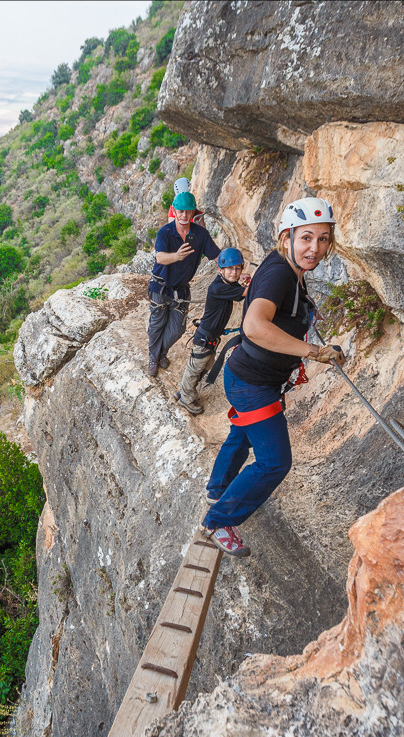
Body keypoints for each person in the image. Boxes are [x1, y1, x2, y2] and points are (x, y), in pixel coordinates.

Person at [198, 197, 348, 557]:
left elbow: (264, 304)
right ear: (287, 238)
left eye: (323, 239)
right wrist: (311, 351)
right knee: (275, 462)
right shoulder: (282, 272)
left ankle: (218, 488)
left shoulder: (285, 269)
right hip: (254, 383)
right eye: (307, 238)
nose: (315, 248)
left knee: (242, 434)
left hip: (246, 375)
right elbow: (254, 325)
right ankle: (218, 520)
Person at [149, 191, 221, 376]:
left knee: (176, 329)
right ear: (174, 210)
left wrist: (232, 268)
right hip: (161, 286)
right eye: (180, 211)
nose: (184, 215)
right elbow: (160, 257)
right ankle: (154, 358)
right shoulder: (165, 232)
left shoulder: (200, 234)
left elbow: (216, 255)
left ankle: (160, 353)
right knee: (157, 325)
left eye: (188, 212)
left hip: (181, 289)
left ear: (192, 212)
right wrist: (177, 256)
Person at [174, 247, 249, 415]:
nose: (234, 272)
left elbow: (239, 292)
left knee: (203, 366)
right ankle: (186, 398)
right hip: (205, 337)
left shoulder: (227, 284)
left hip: (211, 336)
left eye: (237, 268)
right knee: (196, 367)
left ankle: (184, 389)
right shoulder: (218, 288)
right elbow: (246, 292)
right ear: (220, 270)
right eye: (230, 269)